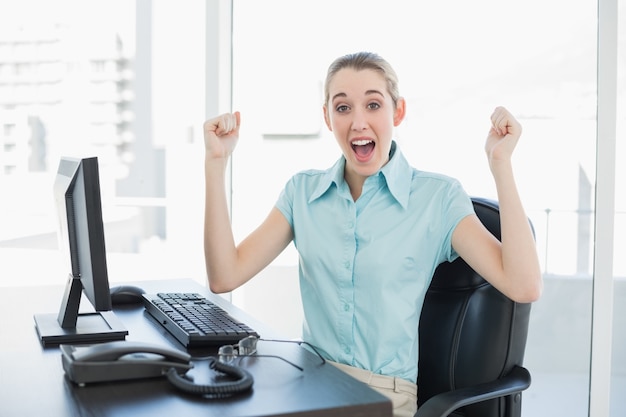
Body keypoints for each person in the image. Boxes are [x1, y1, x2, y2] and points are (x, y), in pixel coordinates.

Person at [202, 51, 542, 417]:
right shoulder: (302, 193)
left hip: (384, 400)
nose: (358, 122)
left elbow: (523, 286)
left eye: (373, 105)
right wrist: (216, 163)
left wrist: (500, 164)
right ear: (328, 118)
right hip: (308, 386)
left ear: (397, 112)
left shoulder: (437, 199)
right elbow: (225, 275)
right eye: (343, 107)